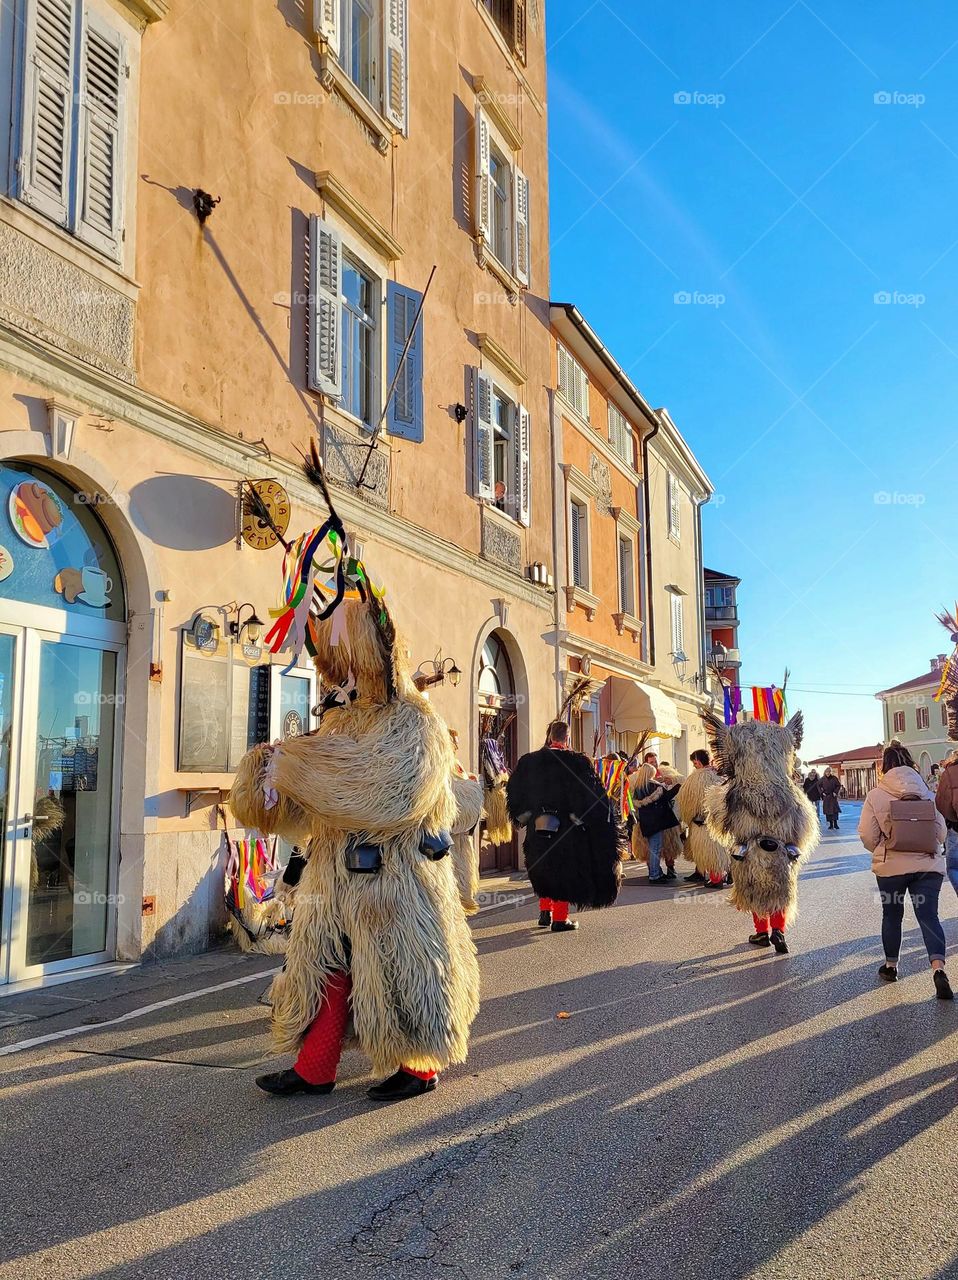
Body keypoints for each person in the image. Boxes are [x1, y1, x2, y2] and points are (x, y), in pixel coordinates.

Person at [230, 462, 480, 1104]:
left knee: (403, 970)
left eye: (345, 656)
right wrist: (268, 778)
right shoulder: (336, 725)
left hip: (397, 882)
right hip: (335, 875)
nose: (335, 672)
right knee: (323, 969)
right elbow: (305, 808)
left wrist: (300, 767)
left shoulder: (413, 723)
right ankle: (314, 1068)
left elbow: (389, 790)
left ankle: (418, 1066)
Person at [702, 709, 819, 955]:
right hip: (782, 845)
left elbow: (720, 821)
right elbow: (803, 828)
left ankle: (762, 932)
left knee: (754, 885)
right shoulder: (790, 794)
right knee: (780, 884)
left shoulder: (737, 794)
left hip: (749, 845)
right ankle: (779, 930)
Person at [507, 719, 622, 933]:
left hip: (537, 823)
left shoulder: (528, 761)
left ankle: (544, 911)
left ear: (550, 736)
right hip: (567, 827)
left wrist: (525, 815)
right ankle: (560, 919)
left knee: (541, 865)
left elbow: (514, 791)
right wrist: (589, 821)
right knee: (563, 868)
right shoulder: (578, 762)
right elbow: (593, 796)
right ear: (567, 738)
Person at [859, 744, 952, 998]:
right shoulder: (928, 794)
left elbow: (868, 835)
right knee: (929, 916)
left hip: (891, 868)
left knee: (892, 915)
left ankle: (891, 966)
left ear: (884, 767)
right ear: (911, 764)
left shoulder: (876, 795)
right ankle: (938, 970)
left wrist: (881, 848)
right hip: (928, 866)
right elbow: (941, 833)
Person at [677, 751, 729, 888]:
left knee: (708, 852)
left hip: (701, 823)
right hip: (718, 821)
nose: (694, 766)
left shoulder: (695, 779)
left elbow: (686, 801)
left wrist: (687, 818)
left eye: (694, 764)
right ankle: (721, 876)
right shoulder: (720, 776)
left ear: (698, 762)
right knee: (718, 851)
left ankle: (716, 879)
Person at [631, 762, 680, 885]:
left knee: (652, 848)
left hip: (645, 823)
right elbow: (666, 796)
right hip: (657, 821)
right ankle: (655, 875)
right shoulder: (655, 786)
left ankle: (656, 872)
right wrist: (677, 786)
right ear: (651, 773)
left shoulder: (638, 788)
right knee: (655, 849)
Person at [935, 748, 958, 898]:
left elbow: (941, 803)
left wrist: (950, 820)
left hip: (956, 828)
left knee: (954, 868)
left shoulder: (950, 772)